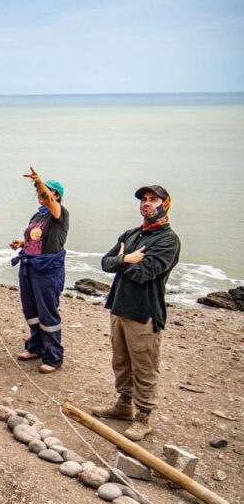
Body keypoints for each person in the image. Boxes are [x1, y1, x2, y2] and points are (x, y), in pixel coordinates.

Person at [92, 185, 180, 441]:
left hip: (145, 313)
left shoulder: (168, 240)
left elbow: (145, 273)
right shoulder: (132, 234)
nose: (146, 203)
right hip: (119, 307)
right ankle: (123, 405)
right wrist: (125, 259)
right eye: (144, 199)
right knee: (120, 361)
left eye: (153, 199)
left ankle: (143, 417)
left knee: (145, 366)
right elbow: (105, 263)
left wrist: (124, 260)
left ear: (165, 204)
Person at [9, 168, 69, 373]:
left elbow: (49, 200)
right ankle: (36, 347)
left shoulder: (59, 212)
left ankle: (53, 357)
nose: (41, 194)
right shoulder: (38, 215)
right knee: (31, 311)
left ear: (57, 195)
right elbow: (36, 240)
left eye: (46, 191)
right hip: (30, 266)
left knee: (47, 312)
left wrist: (39, 181)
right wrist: (22, 244)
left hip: (48, 269)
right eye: (41, 190)